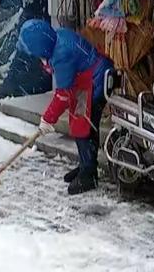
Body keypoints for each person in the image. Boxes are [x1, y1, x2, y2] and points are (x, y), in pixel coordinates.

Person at [17, 19, 113, 195]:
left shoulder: (61, 53)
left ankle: (88, 175)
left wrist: (48, 119)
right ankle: (86, 165)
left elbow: (62, 95)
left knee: (84, 126)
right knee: (80, 125)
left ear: (40, 46)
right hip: (86, 81)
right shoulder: (57, 38)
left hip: (94, 81)